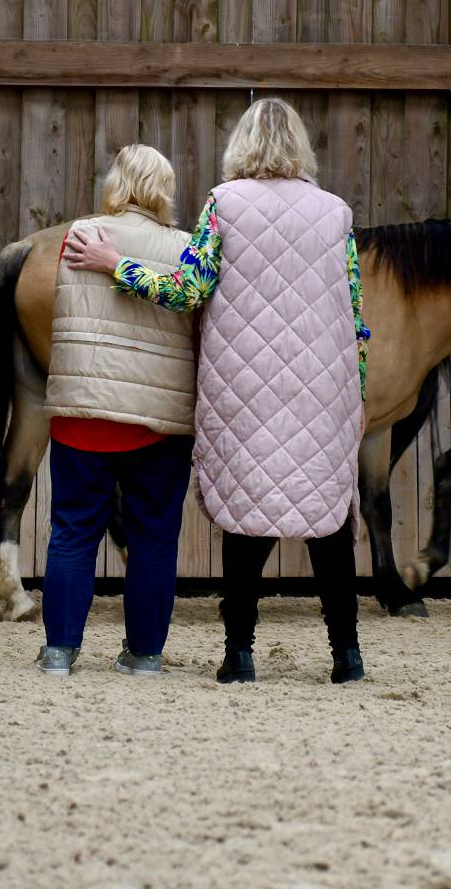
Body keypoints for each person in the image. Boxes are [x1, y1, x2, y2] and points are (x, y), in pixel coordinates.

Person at [64, 98, 371, 684]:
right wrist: (358, 393)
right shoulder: (337, 212)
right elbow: (355, 311)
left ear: (243, 144)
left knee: (246, 516)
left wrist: (116, 264)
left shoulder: (223, 204)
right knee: (329, 522)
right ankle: (346, 657)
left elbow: (190, 288)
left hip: (245, 385)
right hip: (324, 390)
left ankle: (240, 655)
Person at [36, 144, 196, 678]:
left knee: (72, 532)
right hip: (157, 422)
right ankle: (144, 655)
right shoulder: (185, 249)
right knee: (154, 537)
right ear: (162, 190)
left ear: (116, 183)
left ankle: (60, 650)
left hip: (83, 416)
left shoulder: (79, 236)